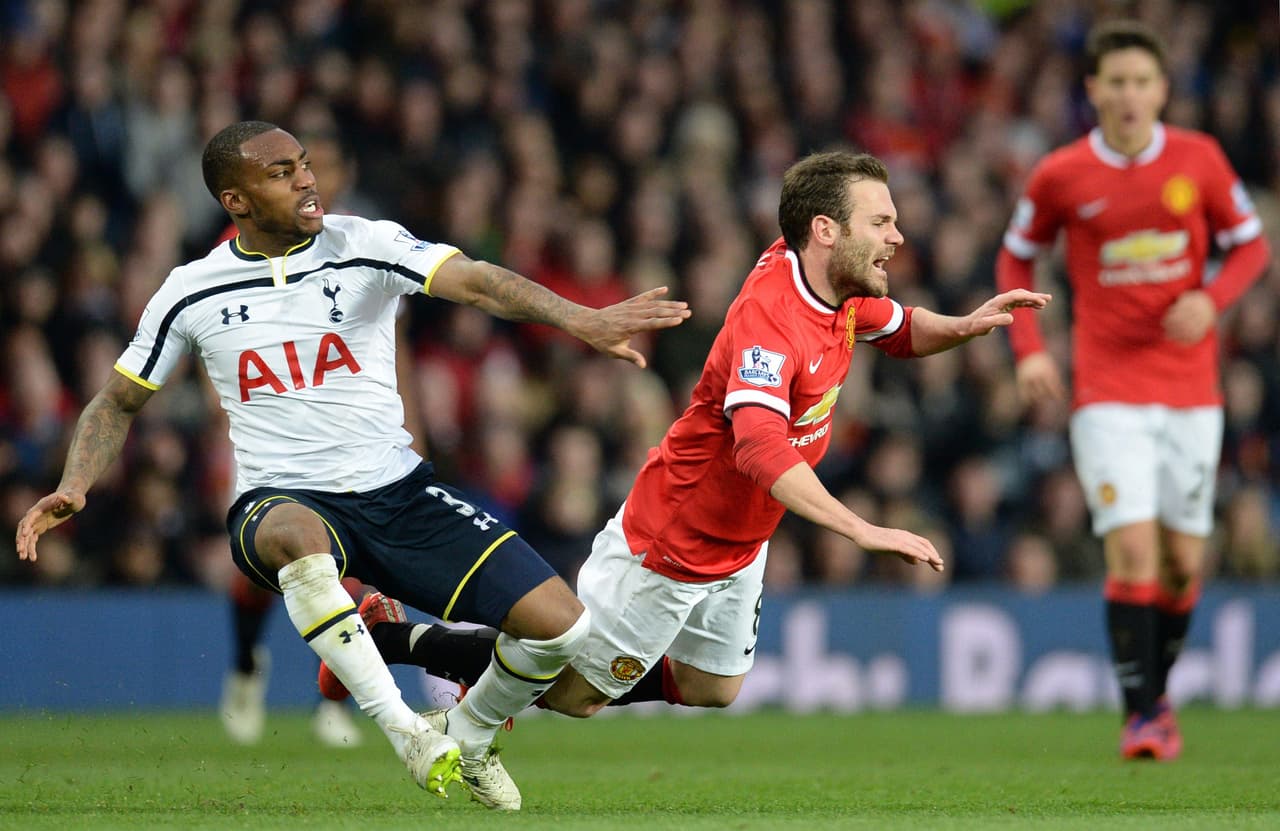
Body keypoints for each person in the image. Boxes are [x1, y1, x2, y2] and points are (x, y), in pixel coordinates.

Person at [15, 121, 690, 811]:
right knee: (296, 538)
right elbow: (117, 399)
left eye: (304, 164)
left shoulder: (365, 243)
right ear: (236, 200)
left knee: (562, 629)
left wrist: (578, 318)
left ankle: (468, 729)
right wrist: (73, 483)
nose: (306, 179)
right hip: (279, 498)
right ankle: (406, 732)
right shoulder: (192, 290)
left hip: (398, 491)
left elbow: (478, 282)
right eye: (281, 172)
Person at [340, 151, 1048, 723]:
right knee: (576, 693)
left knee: (714, 685)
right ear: (827, 230)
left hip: (740, 537)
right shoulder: (772, 322)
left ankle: (447, 668)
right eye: (882, 221)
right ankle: (392, 641)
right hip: (675, 538)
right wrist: (859, 528)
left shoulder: (834, 282)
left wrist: (965, 324)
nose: (898, 235)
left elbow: (897, 328)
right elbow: (762, 447)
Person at [995, 21, 1270, 761]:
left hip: (1191, 391)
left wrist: (1211, 300)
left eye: (1140, 81)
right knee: (1135, 553)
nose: (1128, 95)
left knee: (1184, 565)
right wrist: (1027, 349)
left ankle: (1156, 697)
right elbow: (1016, 254)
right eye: (1114, 81)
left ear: (1161, 90)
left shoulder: (1198, 160)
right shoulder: (1060, 174)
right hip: (1107, 389)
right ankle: (1143, 714)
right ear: (1092, 90)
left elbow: (1251, 242)